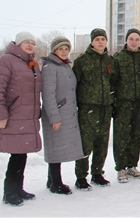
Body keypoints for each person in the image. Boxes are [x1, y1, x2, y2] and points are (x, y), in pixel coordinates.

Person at [0, 32, 42, 206]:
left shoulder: (31, 64)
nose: (30, 46)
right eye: (26, 42)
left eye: (33, 43)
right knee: (16, 156)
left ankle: (19, 188)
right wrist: (0, 115)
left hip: (27, 118)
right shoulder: (6, 61)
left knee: (21, 155)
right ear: (18, 44)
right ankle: (9, 192)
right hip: (13, 117)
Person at [41, 36, 84, 195]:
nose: (64, 52)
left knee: (58, 146)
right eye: (61, 49)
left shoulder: (65, 66)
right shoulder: (50, 68)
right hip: (57, 114)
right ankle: (56, 183)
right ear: (54, 50)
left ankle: (51, 179)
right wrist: (54, 117)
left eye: (66, 49)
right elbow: (48, 95)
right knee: (55, 147)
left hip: (66, 113)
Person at [72, 28, 114, 190]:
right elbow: (74, 85)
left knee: (102, 143)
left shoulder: (110, 61)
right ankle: (81, 176)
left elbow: (114, 83)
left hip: (105, 108)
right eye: (97, 39)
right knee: (86, 143)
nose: (100, 42)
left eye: (103, 39)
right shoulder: (82, 61)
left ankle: (97, 173)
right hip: (87, 108)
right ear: (91, 42)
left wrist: (112, 102)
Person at [111, 28, 140, 183]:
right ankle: (121, 167)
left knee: (137, 135)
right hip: (123, 103)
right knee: (121, 136)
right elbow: (112, 82)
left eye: (137, 39)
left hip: (139, 103)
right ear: (126, 40)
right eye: (131, 39)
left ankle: (132, 165)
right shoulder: (118, 58)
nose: (134, 42)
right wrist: (113, 102)